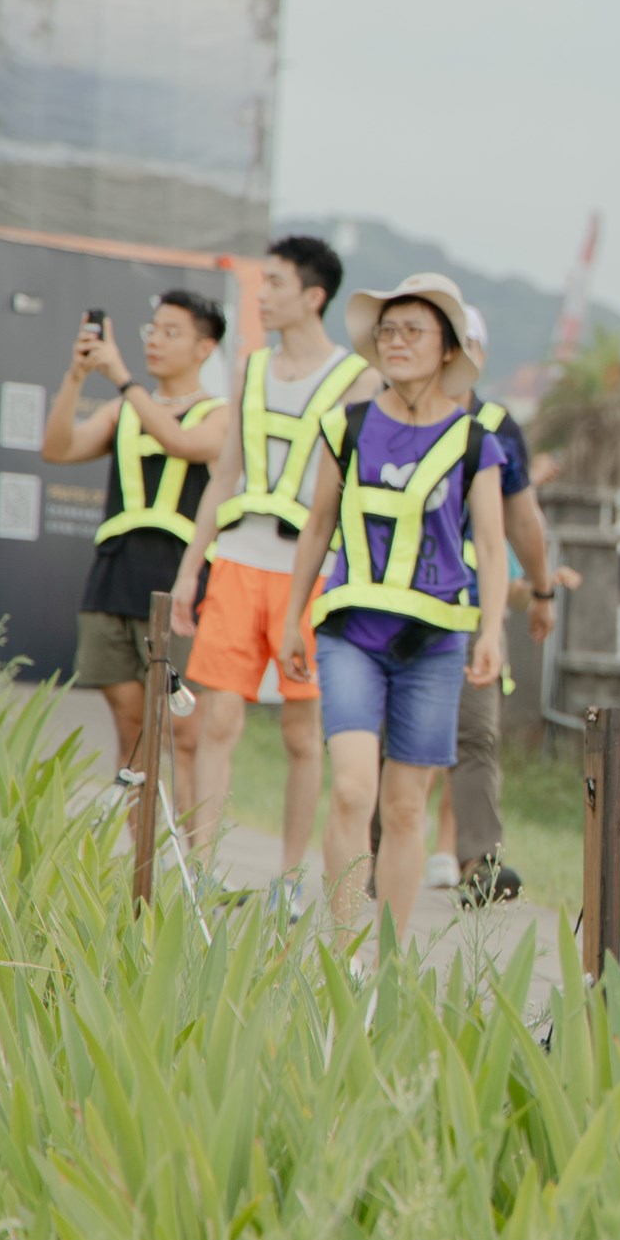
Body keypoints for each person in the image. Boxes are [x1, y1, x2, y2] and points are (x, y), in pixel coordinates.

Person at [277, 274, 510, 947]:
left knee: (406, 806)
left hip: (435, 642)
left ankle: (388, 966)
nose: (397, 341)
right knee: (354, 789)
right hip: (351, 631)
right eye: (388, 330)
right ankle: (343, 952)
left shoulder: (475, 442)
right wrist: (294, 616)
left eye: (414, 331)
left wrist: (492, 630)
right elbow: (316, 527)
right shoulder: (345, 427)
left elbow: (493, 547)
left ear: (447, 348)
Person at [176, 237, 377, 900]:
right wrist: (190, 568)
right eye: (262, 283)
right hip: (237, 561)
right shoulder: (252, 368)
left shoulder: (358, 379)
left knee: (301, 732)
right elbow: (223, 475)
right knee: (217, 720)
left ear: (313, 296)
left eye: (275, 284)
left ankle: (289, 876)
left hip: (309, 574)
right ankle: (202, 868)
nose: (261, 295)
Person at [44, 291, 232, 837]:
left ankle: (196, 863)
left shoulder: (220, 415)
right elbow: (58, 448)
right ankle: (143, 862)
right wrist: (77, 376)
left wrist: (123, 378)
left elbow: (180, 441)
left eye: (172, 332)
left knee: (184, 733)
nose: (155, 341)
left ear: (204, 347)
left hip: (180, 586)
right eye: (153, 329)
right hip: (115, 578)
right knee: (132, 729)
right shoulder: (122, 408)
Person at [414, 311, 571, 909]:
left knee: (476, 732)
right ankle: (375, 854)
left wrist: (542, 589)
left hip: (473, 606)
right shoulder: (388, 416)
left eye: (471, 345)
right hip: (396, 603)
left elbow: (523, 520)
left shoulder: (498, 427)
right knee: (394, 737)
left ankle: (480, 861)